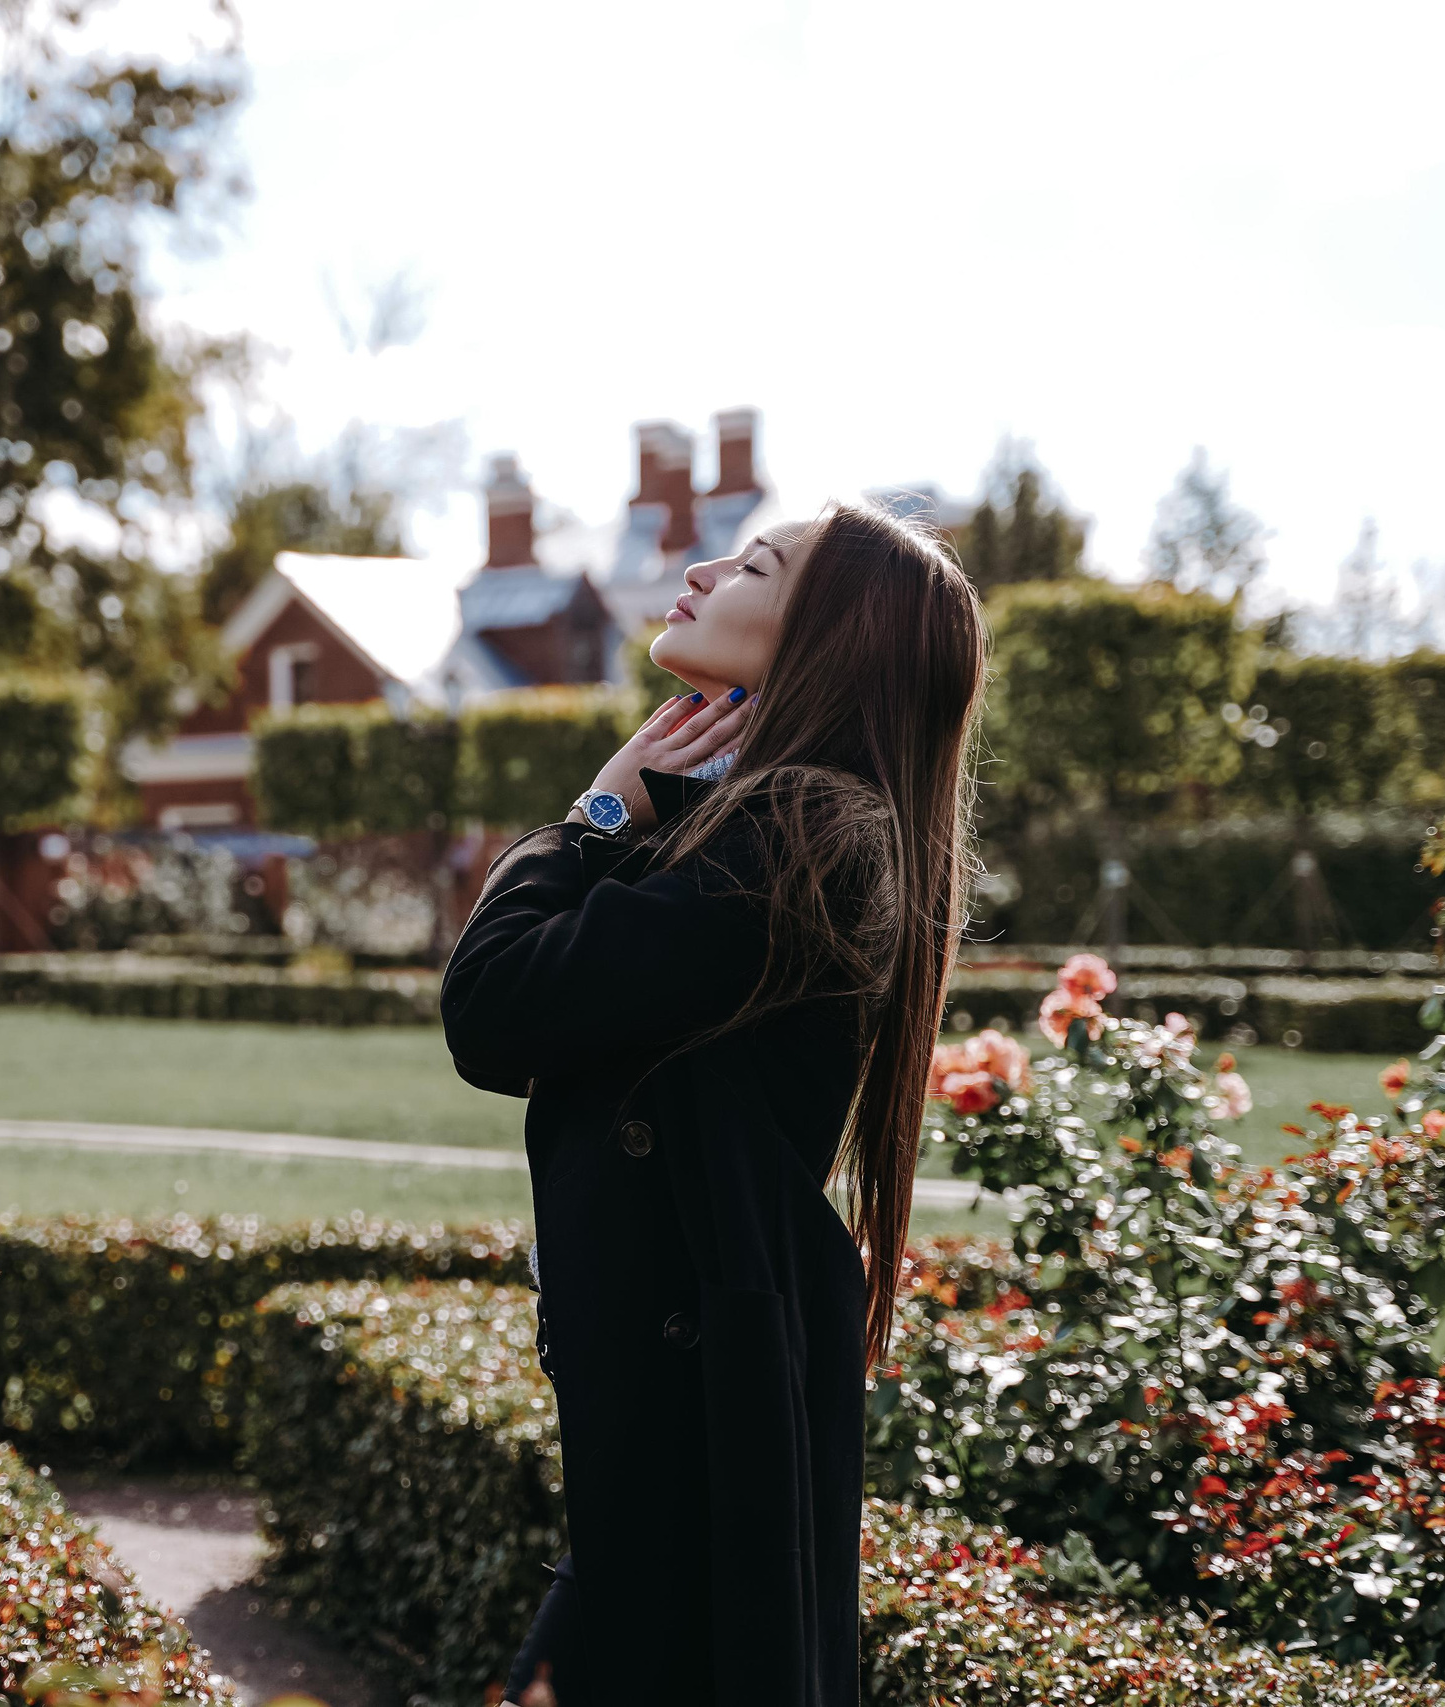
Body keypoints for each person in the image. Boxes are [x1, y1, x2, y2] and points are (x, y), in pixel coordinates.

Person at [440, 502, 987, 1707]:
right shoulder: (768, 824)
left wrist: (594, 814)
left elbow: (493, 1010)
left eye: (754, 565)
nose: (697, 570)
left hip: (701, 1429)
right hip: (696, 1411)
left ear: (827, 640)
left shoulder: (801, 838)